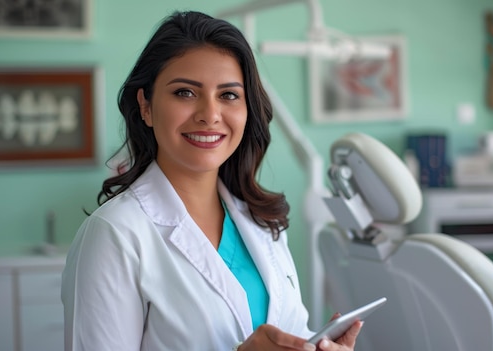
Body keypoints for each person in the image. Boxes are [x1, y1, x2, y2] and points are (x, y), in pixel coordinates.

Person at [61, 10, 363, 351]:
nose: (209, 114)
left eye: (229, 95)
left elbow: (292, 333)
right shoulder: (115, 233)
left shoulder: (262, 222)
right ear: (145, 105)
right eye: (185, 93)